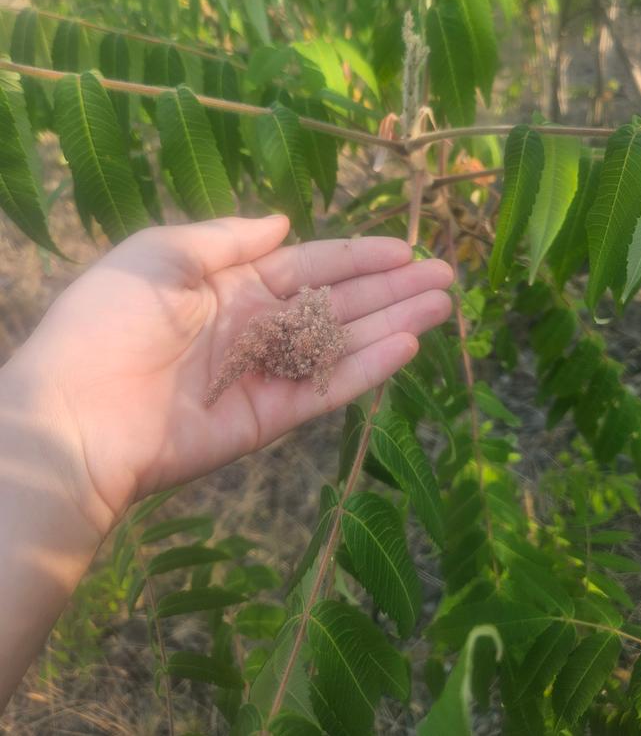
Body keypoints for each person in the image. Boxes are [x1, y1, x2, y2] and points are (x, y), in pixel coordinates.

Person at [0, 214, 454, 708]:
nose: (303, 349)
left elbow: (309, 353)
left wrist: (63, 443)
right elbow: (270, 353)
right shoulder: (269, 337)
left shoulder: (307, 335)